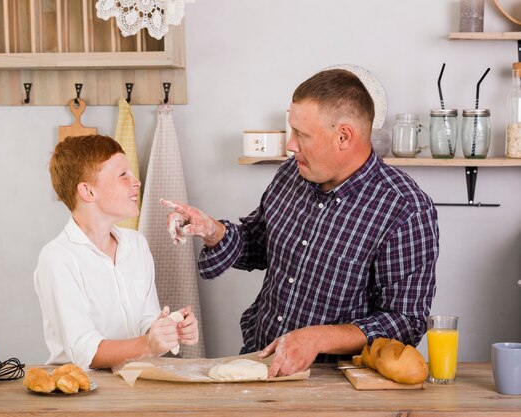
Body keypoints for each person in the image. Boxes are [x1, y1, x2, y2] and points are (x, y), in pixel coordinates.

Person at [162, 69, 439, 377]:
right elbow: (259, 242)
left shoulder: (404, 209)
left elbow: (405, 321)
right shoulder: (292, 174)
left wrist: (318, 337)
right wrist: (213, 230)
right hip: (259, 359)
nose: (291, 145)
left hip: (336, 382)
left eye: (302, 135)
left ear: (344, 136)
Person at [34, 134, 199, 371]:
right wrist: (149, 344)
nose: (136, 181)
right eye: (123, 175)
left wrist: (167, 328)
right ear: (87, 192)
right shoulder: (58, 258)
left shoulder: (136, 244)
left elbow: (144, 321)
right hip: (82, 394)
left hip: (136, 383)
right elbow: (85, 351)